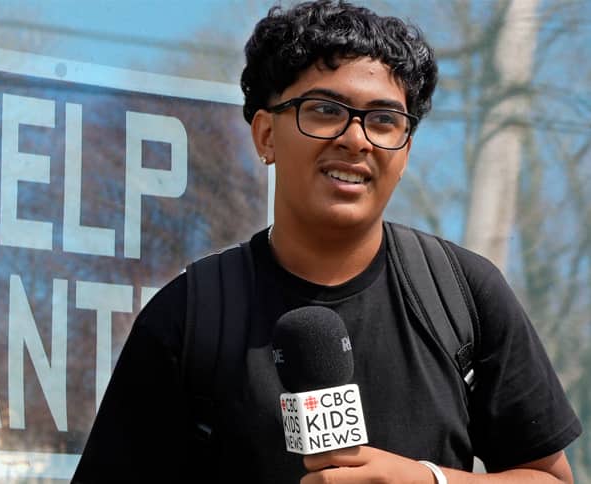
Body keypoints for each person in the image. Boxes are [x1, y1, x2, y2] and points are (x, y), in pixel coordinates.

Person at [72, 1, 582, 482]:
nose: (356, 139)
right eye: (324, 110)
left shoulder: (464, 295)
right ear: (266, 136)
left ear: (403, 155)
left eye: (385, 120)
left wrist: (427, 479)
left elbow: (551, 476)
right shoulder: (188, 318)